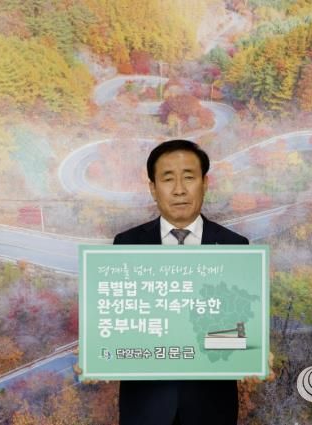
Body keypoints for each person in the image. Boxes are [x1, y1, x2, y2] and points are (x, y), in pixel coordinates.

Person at [113, 139, 249, 425]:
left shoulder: (234, 246)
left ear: (205, 183)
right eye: (167, 179)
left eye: (189, 177)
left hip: (210, 406)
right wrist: (97, 349)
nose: (179, 189)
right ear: (153, 188)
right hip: (145, 405)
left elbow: (238, 327)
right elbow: (118, 322)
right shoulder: (127, 244)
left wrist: (252, 348)